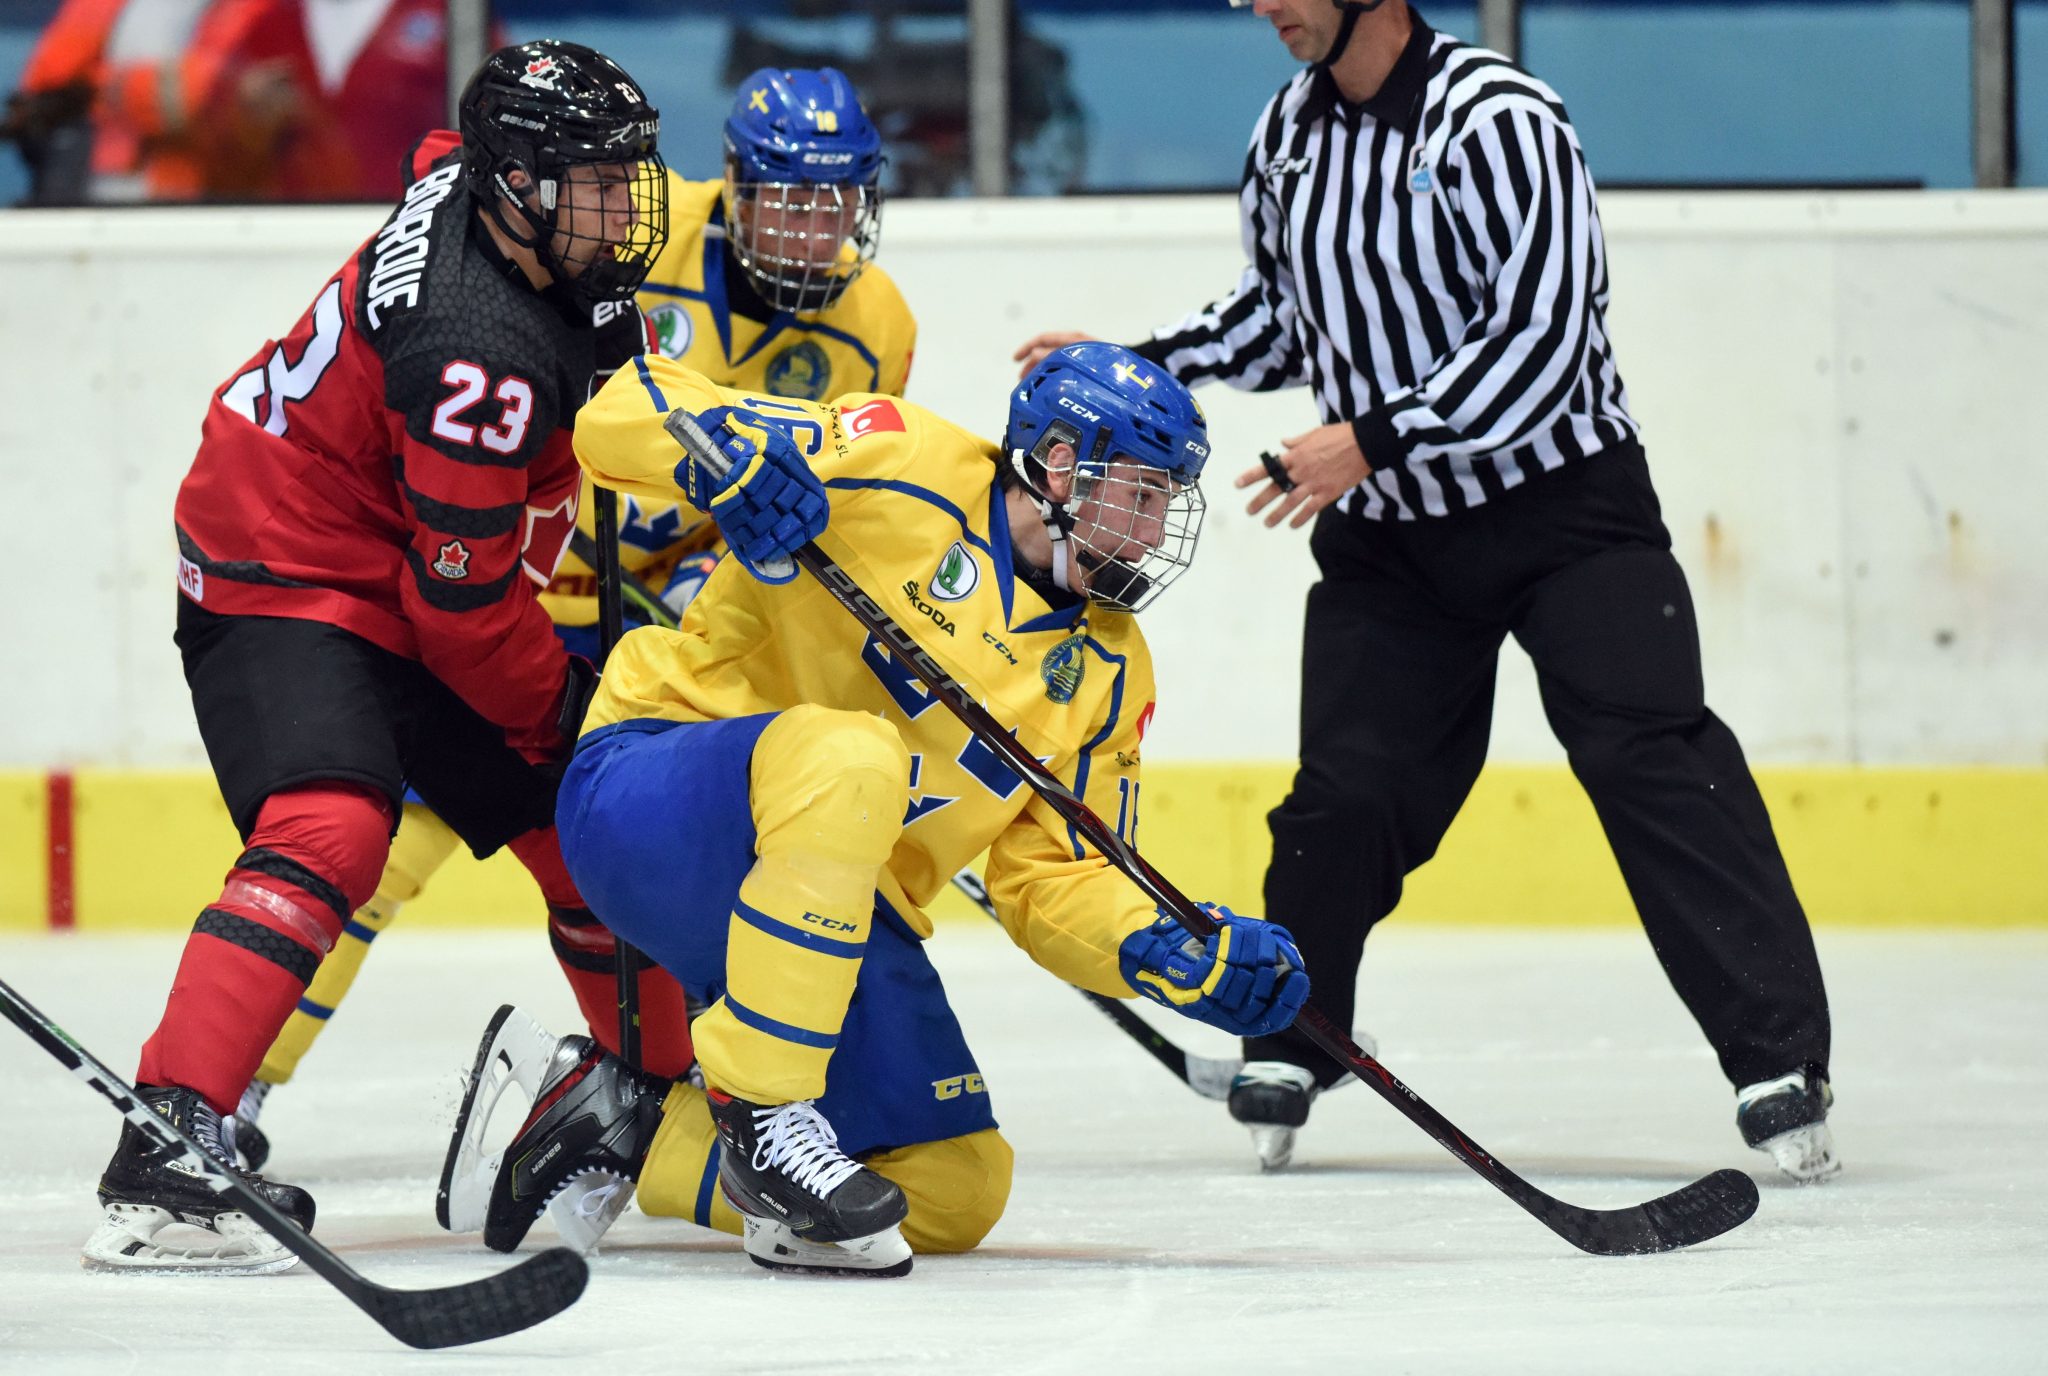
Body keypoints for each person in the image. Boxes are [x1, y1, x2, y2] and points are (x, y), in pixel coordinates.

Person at [1015, 0, 1836, 1182]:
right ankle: (1294, 1030)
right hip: (1396, 541)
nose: (1261, 7)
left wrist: (1372, 436)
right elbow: (1280, 318)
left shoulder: (1498, 119)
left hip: (1564, 511)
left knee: (1647, 753)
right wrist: (1142, 361)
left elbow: (1545, 335)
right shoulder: (1287, 136)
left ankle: (1778, 1055)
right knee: (1345, 794)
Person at [435, 342, 1310, 1276]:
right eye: (1140, 496)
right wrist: (724, 458)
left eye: (1167, 502)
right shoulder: (903, 461)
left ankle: (623, 1121)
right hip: (651, 802)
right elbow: (626, 404)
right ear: (1059, 465)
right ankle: (764, 1116)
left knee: (956, 1186)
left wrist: (1166, 949)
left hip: (827, 924)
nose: (1155, 530)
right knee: (858, 756)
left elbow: (1056, 877)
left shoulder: (1107, 672)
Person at [237, 66, 916, 1165]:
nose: (810, 228)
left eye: (835, 201)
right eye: (787, 197)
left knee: (663, 856)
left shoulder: (878, 321)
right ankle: (247, 1081)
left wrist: (707, 594)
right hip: (524, 593)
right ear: (731, 185)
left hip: (669, 620)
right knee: (390, 842)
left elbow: (817, 491)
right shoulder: (627, 228)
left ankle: (667, 1078)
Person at [86, 39, 669, 1274]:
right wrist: (566, 712)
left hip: (386, 542)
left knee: (591, 829)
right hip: (280, 563)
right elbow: (460, 613)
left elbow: (426, 153)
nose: (624, 209)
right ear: (514, 186)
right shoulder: (474, 359)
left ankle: (637, 1088)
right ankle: (166, 1140)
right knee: (334, 826)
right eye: (595, 183)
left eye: (627, 176)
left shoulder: (468, 178)